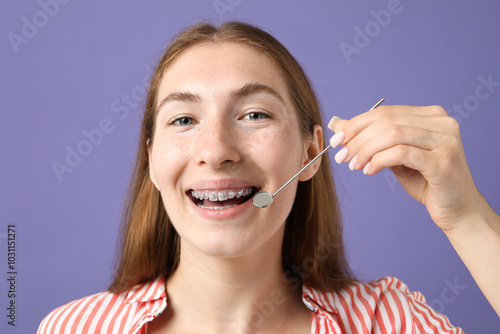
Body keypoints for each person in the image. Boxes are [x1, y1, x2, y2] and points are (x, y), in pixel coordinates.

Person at [38, 21, 500, 333]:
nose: (216, 151)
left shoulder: (386, 321)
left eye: (254, 114)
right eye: (183, 120)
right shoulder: (75, 327)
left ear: (311, 152)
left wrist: (467, 218)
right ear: (153, 160)